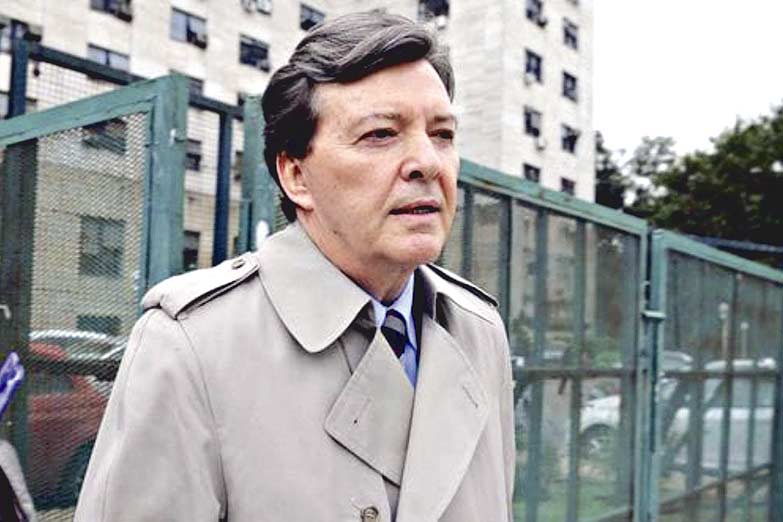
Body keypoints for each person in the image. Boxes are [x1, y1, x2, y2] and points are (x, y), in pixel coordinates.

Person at [76, 11, 515, 522]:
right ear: (296, 175)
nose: (428, 162)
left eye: (442, 134)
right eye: (380, 134)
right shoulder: (192, 345)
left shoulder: (480, 332)